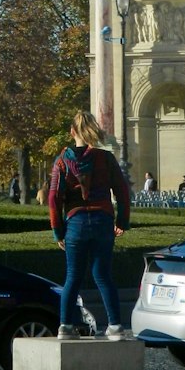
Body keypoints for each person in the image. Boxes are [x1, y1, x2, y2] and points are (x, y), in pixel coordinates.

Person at [48, 109, 130, 339]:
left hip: (75, 222)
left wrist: (58, 231)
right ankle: (115, 326)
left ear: (72, 131)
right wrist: (122, 221)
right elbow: (122, 192)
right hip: (103, 220)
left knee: (73, 276)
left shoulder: (62, 160)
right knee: (103, 275)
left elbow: (54, 198)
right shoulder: (105, 158)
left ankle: (65, 326)